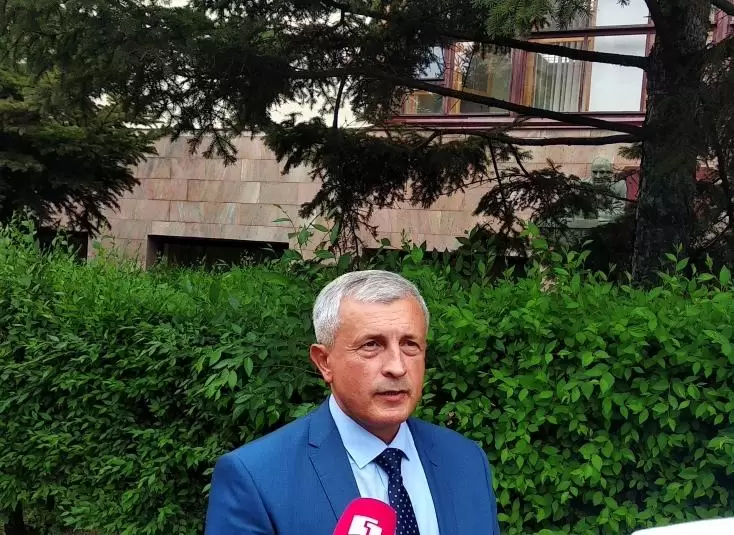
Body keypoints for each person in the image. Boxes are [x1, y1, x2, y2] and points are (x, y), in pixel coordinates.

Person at [204, 270, 501, 534]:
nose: (397, 367)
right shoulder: (257, 477)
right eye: (372, 345)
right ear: (324, 362)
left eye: (410, 344)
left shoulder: (466, 461)